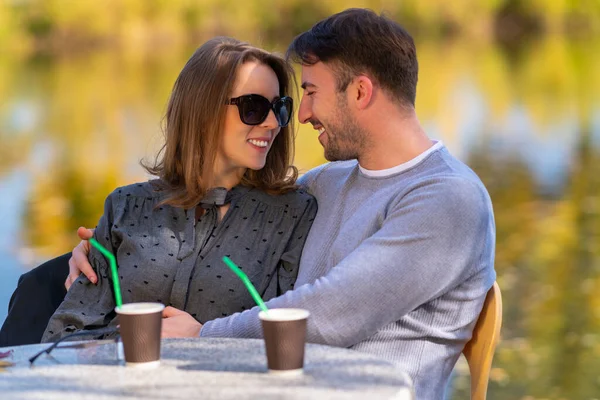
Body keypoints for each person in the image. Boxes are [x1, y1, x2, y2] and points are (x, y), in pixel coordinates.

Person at [2, 9, 495, 399]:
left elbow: (329, 315)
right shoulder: (333, 182)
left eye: (307, 95)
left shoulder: (448, 200)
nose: (295, 118)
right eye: (281, 104)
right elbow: (210, 210)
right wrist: (104, 243)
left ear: (361, 91)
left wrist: (204, 337)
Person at [38, 36, 317, 342]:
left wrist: (206, 340)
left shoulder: (293, 213)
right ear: (202, 109)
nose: (271, 123)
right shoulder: (126, 206)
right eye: (253, 107)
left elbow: (284, 336)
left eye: (279, 108)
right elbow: (66, 332)